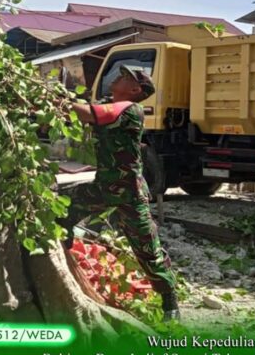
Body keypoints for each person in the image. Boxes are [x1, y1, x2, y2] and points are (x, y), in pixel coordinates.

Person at [58, 64, 180, 321]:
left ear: (135, 90)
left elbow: (86, 113)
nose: (118, 78)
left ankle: (170, 301)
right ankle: (64, 251)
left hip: (128, 191)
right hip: (104, 186)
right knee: (64, 206)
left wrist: (52, 98)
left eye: (125, 78)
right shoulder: (110, 104)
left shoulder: (130, 109)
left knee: (147, 248)